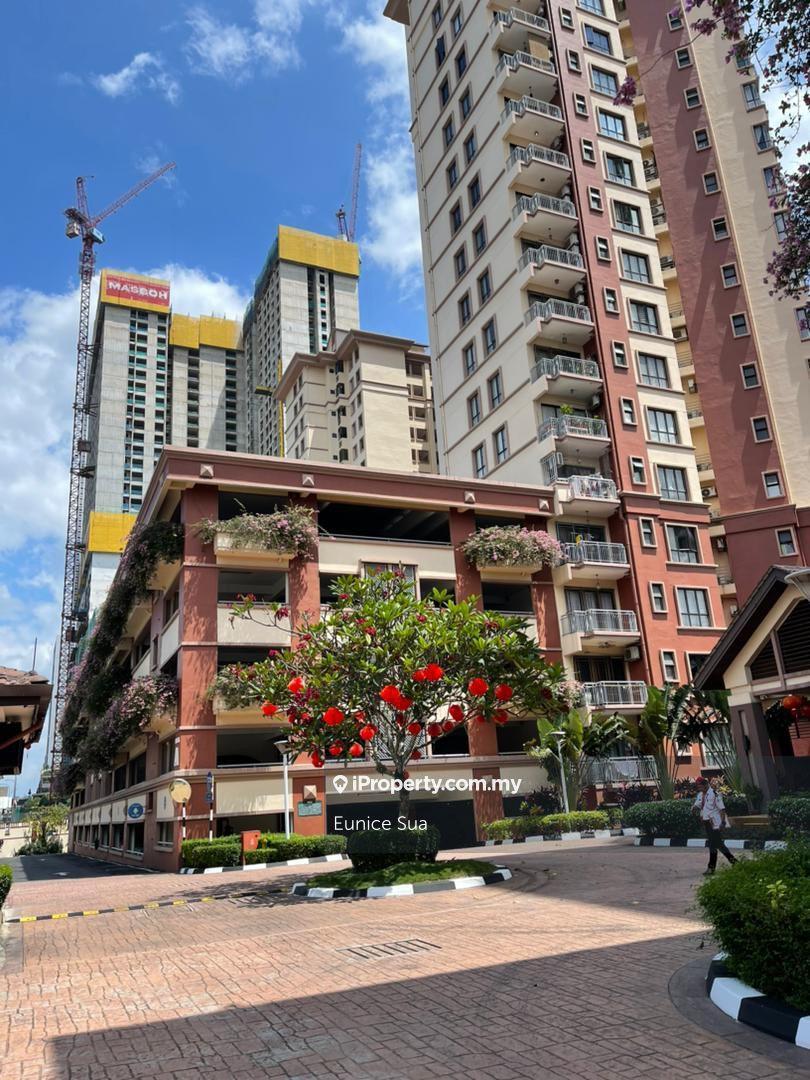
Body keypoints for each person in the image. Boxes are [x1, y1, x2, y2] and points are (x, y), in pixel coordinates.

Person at [693, 776, 737, 875]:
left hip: (715, 824)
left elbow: (722, 809)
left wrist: (723, 822)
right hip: (707, 823)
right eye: (698, 787)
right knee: (719, 845)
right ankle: (734, 862)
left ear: (705, 785)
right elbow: (698, 805)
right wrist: (694, 808)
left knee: (712, 845)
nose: (699, 788)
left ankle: (711, 868)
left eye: (700, 786)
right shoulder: (700, 795)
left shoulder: (714, 794)